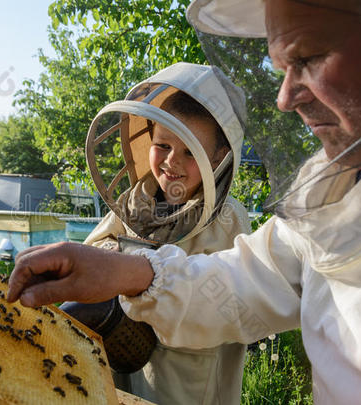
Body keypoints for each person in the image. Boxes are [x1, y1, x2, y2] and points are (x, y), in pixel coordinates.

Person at [7, 0, 361, 403]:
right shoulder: (328, 187)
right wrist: (123, 270)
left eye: (309, 58)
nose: (285, 98)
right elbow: (247, 280)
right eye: (283, 68)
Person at [82, 63, 251, 404]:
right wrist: (114, 255)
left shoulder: (230, 219)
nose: (172, 162)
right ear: (148, 139)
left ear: (218, 157)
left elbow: (237, 302)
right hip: (124, 361)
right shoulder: (137, 201)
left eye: (190, 151)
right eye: (163, 145)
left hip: (188, 376)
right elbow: (95, 248)